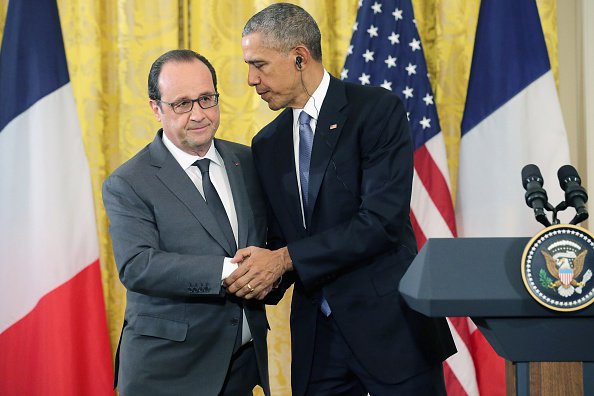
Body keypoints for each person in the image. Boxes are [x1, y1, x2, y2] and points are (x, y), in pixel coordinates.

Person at [225, 3, 457, 395]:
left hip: (391, 330)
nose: (251, 79)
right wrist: (253, 273)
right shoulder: (267, 144)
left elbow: (381, 222)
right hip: (318, 341)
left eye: (259, 64)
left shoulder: (376, 111)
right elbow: (283, 239)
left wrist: (283, 260)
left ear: (299, 57)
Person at [102, 49, 271, 396]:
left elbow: (265, 244)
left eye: (206, 99)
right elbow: (138, 265)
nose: (199, 114)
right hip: (168, 373)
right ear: (156, 108)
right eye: (182, 104)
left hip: (242, 365)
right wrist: (228, 272)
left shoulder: (248, 161)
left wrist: (273, 271)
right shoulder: (129, 181)